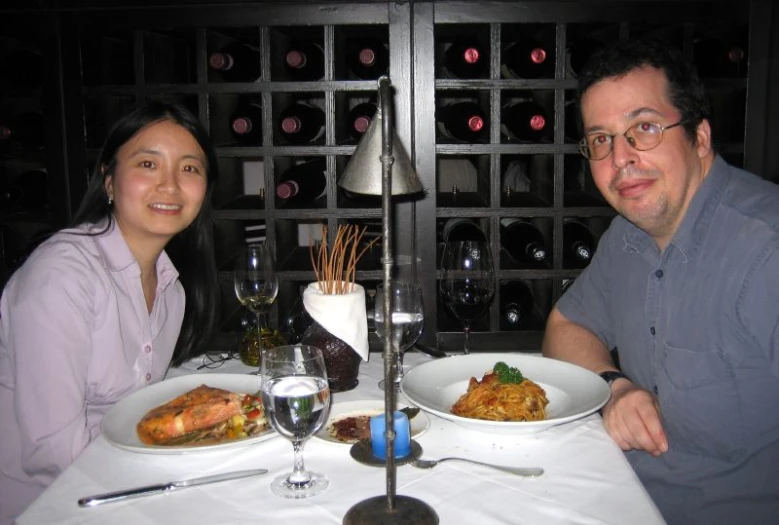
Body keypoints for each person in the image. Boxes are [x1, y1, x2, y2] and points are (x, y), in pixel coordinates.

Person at [542, 38, 779, 525]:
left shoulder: (766, 250)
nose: (620, 157)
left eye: (643, 128)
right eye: (602, 139)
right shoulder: (627, 236)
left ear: (701, 137)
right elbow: (565, 326)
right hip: (616, 496)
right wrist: (616, 387)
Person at [0, 100, 220, 523]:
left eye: (189, 168)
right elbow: (51, 450)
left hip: (121, 480)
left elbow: (138, 404)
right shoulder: (62, 275)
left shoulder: (171, 284)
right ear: (108, 180)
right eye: (148, 164)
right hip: (50, 504)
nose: (170, 185)